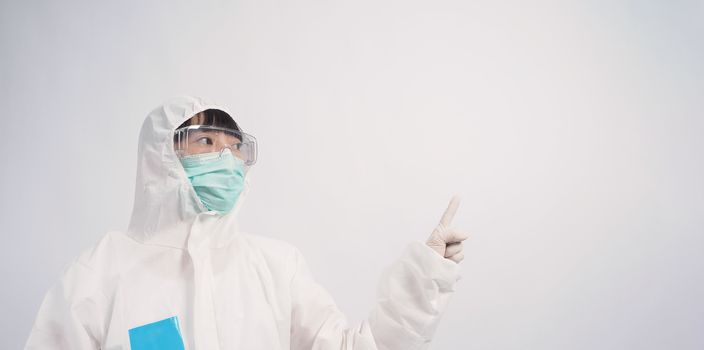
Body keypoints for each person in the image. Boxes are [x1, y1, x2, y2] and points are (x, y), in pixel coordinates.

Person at [25, 96, 470, 350]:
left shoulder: (276, 267)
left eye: (235, 147)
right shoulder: (100, 274)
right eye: (205, 141)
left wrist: (424, 279)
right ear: (161, 157)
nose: (226, 157)